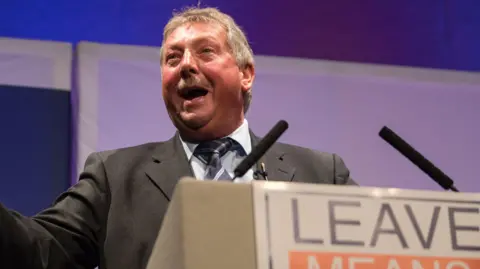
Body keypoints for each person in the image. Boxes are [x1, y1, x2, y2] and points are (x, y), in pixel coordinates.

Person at [0, 6, 357, 269]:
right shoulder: (115, 176)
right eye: (173, 57)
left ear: (246, 74)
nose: (186, 65)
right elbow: (41, 250)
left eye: (205, 51)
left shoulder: (321, 174)